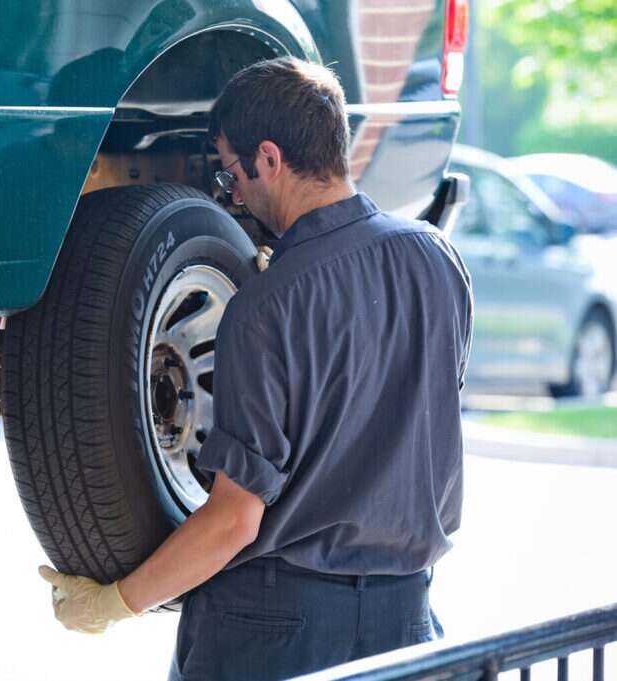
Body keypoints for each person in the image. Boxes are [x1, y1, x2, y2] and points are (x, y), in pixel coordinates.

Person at [38, 56, 473, 681]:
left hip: (277, 633)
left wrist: (115, 602)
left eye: (231, 173)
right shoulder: (438, 261)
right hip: (408, 619)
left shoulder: (266, 307)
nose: (233, 195)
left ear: (269, 158)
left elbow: (234, 522)